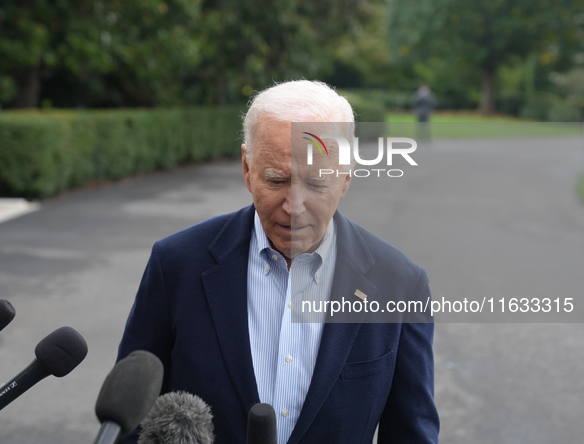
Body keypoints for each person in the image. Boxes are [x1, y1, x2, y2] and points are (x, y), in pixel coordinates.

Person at [117, 80, 439, 443]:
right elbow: (128, 420)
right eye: (276, 180)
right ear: (246, 168)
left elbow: (412, 433)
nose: (294, 206)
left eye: (316, 183)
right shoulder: (175, 265)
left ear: (346, 178)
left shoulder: (401, 283)